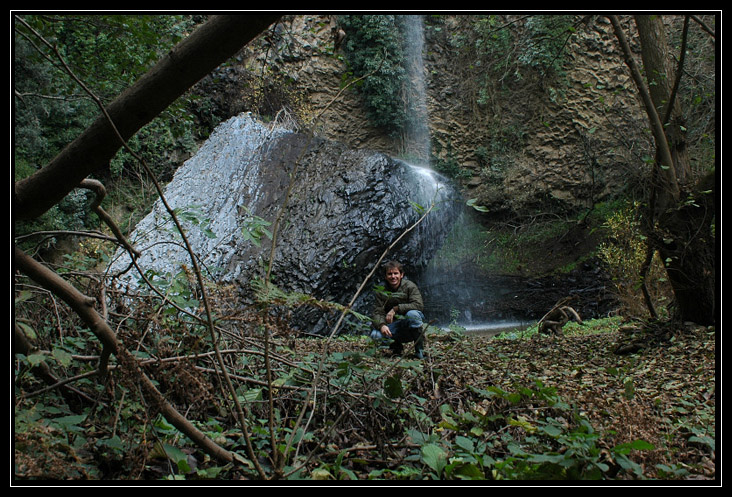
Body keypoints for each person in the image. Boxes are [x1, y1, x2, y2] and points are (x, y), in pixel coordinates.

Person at [370, 260, 426, 358]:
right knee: (375, 334)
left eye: (396, 273)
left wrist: (396, 309)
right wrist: (382, 325)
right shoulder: (381, 290)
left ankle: (419, 351)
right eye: (390, 274)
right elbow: (377, 311)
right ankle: (396, 349)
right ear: (385, 276)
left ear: (401, 275)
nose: (393, 276)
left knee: (413, 314)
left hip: (408, 325)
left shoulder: (410, 286)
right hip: (392, 327)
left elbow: (418, 305)